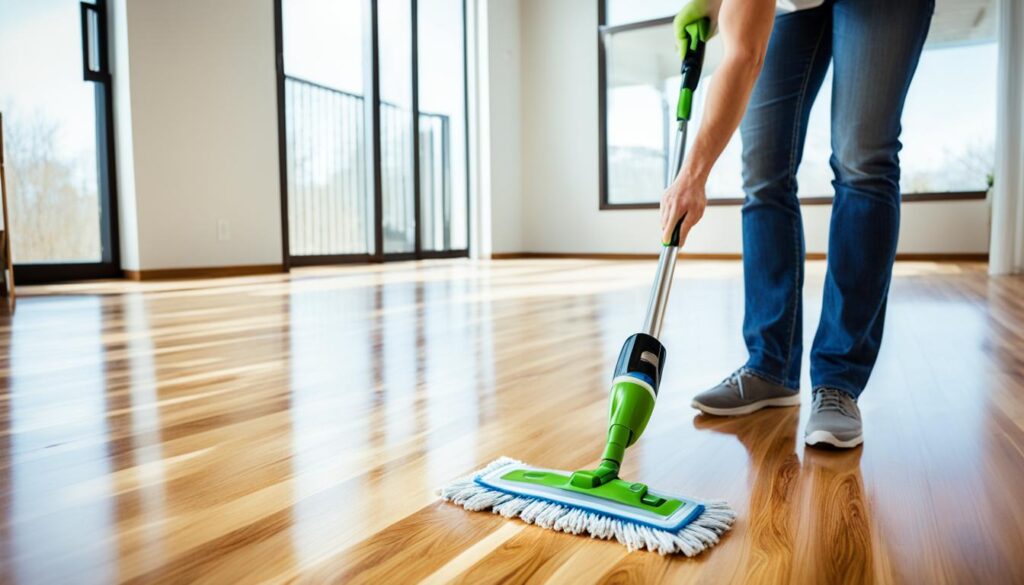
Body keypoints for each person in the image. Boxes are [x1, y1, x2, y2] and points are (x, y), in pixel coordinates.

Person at [663, 0, 934, 448]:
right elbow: (741, 49)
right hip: (793, 9)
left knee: (861, 158)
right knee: (763, 167)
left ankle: (838, 381)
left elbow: (745, 58)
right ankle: (770, 365)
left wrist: (692, 176)